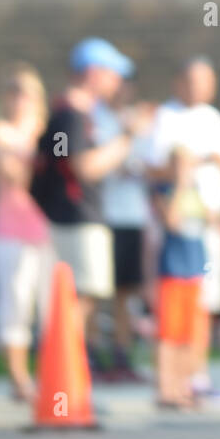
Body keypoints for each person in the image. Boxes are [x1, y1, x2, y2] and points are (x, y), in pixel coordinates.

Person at [31, 38, 138, 367]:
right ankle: (62, 376)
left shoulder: (70, 114)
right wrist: (127, 138)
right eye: (112, 74)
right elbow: (81, 167)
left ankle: (66, 377)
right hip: (74, 218)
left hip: (70, 217)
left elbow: (62, 160)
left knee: (77, 299)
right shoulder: (72, 116)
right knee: (78, 299)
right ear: (93, 73)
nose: (117, 83)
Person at [147, 57, 220, 398]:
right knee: (172, 321)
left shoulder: (213, 118)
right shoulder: (165, 118)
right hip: (176, 238)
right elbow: (153, 169)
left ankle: (193, 380)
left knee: (202, 308)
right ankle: (170, 386)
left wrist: (209, 166)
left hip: (204, 230)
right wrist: (185, 174)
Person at [0, 63, 53, 402]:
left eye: (25, 92)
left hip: (47, 228)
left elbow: (65, 169)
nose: (19, 99)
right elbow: (16, 176)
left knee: (50, 305)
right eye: (13, 91)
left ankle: (52, 376)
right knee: (16, 303)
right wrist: (41, 161)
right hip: (10, 229)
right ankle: (19, 378)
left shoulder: (47, 131)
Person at [91, 79, 157, 381]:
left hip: (133, 216)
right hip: (104, 217)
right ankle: (92, 356)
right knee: (93, 291)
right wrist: (126, 143)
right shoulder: (95, 117)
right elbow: (103, 164)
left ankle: (121, 357)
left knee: (126, 292)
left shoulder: (136, 120)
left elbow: (147, 164)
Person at [151, 146, 209, 409]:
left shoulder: (196, 192)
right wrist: (182, 187)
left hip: (194, 269)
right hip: (173, 270)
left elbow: (209, 219)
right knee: (169, 333)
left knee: (189, 334)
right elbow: (172, 221)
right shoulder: (164, 192)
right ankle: (166, 389)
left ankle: (185, 388)